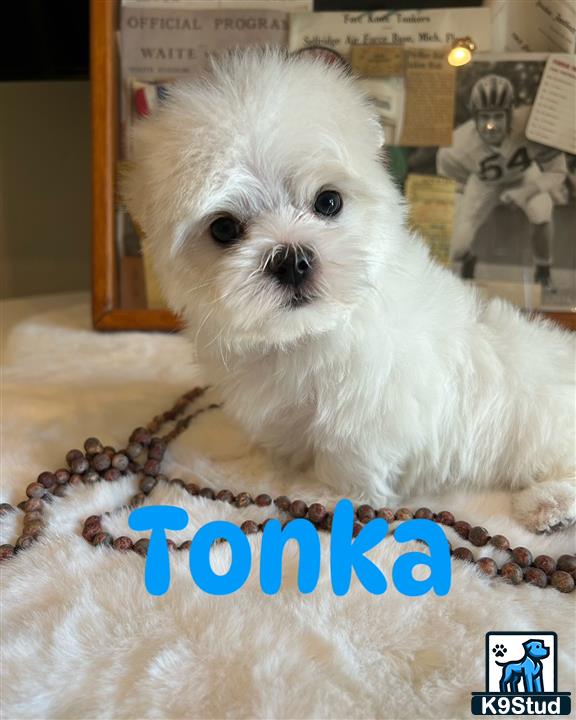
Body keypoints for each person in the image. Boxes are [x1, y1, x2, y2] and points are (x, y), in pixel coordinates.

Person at [437, 74, 567, 291]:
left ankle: (543, 271)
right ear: (474, 117)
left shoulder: (532, 125)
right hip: (483, 183)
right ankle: (468, 258)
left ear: (510, 113)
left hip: (524, 176)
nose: (490, 125)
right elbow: (453, 184)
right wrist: (460, 211)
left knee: (542, 208)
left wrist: (527, 191)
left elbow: (557, 171)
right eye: (484, 117)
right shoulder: (456, 147)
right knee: (457, 245)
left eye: (498, 116)